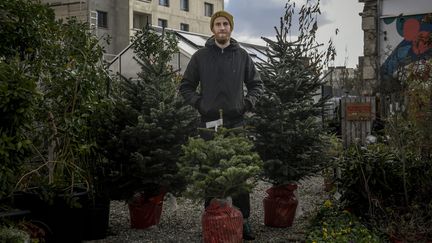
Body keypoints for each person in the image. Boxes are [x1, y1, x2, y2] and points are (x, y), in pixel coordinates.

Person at [179, 10, 263, 241]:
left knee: (240, 174)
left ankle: (244, 220)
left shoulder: (243, 55)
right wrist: (200, 104)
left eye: (226, 24)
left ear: (231, 28)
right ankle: (212, 217)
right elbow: (185, 86)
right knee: (211, 172)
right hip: (209, 123)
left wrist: (246, 104)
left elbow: (256, 85)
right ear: (212, 29)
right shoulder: (200, 57)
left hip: (236, 122)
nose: (222, 28)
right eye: (218, 24)